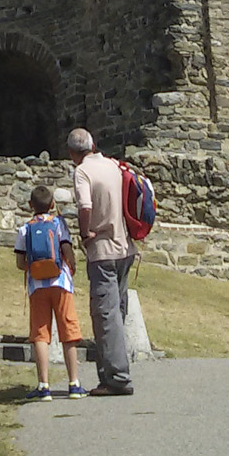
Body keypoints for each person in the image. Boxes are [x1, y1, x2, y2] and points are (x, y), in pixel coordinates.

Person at [69, 128, 135, 395]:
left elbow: (85, 206)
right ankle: (112, 371)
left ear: (72, 153)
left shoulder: (83, 171)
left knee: (105, 315)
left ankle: (117, 378)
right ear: (94, 144)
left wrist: (85, 234)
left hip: (103, 249)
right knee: (117, 311)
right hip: (125, 247)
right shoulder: (114, 165)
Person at [15, 183, 85, 400]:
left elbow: (20, 262)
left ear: (30, 205)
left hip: (37, 286)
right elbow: (66, 250)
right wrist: (71, 267)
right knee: (68, 331)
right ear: (53, 204)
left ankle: (43, 385)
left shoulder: (25, 229)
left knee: (40, 334)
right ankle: (74, 383)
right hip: (61, 283)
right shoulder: (58, 223)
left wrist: (35, 268)